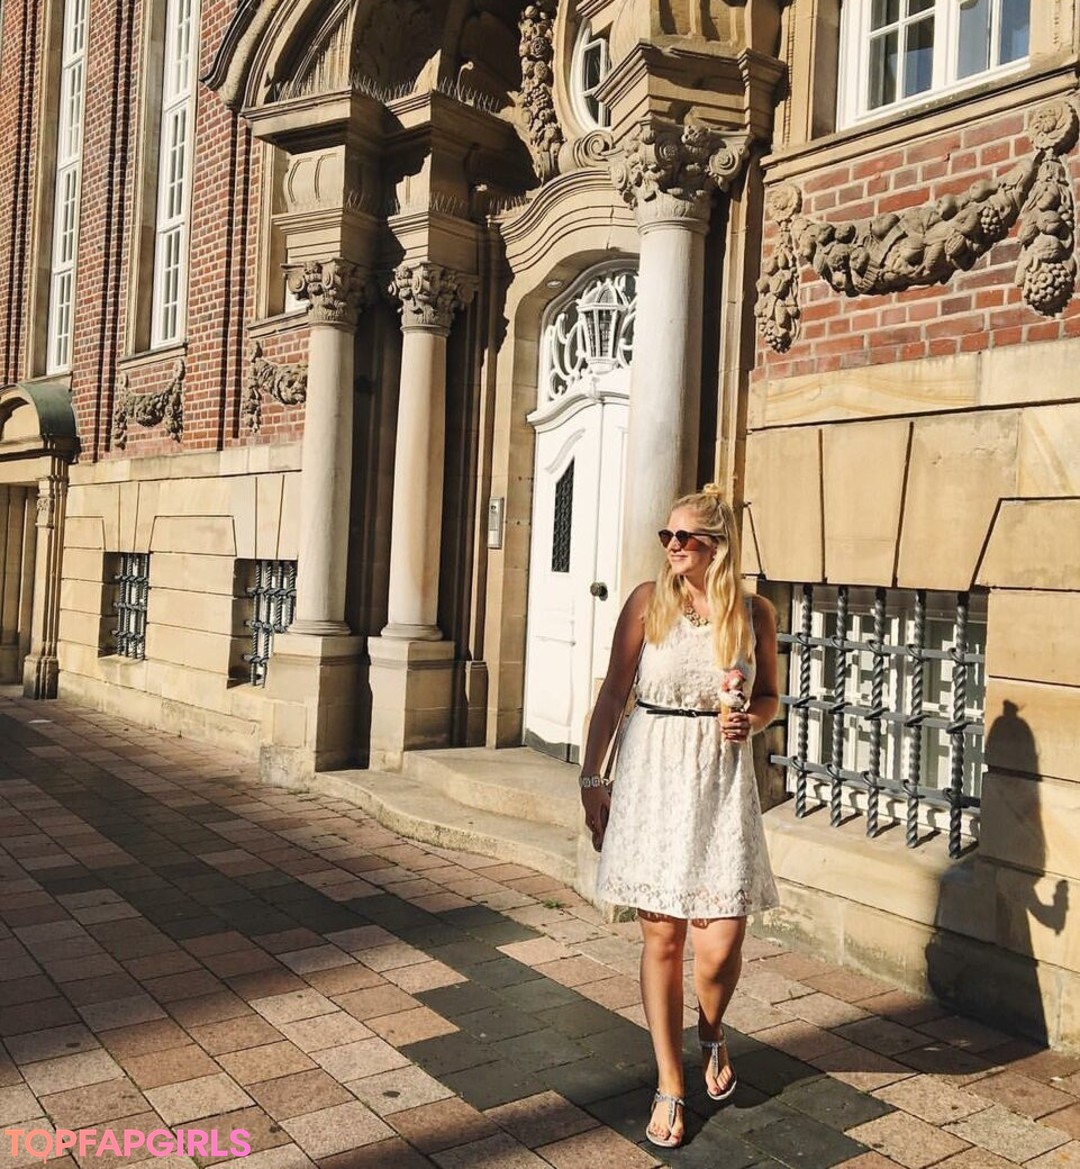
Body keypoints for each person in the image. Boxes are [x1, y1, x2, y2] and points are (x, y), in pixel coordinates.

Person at [578, 483, 780, 1149]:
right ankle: (670, 1080)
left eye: (684, 536)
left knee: (719, 944)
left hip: (719, 781)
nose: (671, 545)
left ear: (716, 546)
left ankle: (712, 1029)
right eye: (666, 534)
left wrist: (751, 720)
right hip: (652, 775)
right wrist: (592, 776)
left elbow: (770, 697)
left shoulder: (754, 613)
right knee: (661, 938)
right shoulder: (648, 601)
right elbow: (614, 693)